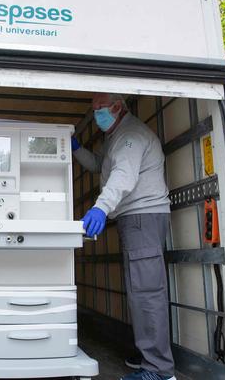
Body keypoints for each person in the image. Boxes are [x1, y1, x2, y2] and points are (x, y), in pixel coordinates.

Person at [72, 93, 175, 380]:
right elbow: (99, 166)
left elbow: (123, 176)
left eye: (100, 109)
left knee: (147, 293)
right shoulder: (115, 137)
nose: (96, 115)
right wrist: (77, 148)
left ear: (118, 107)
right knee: (141, 290)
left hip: (143, 217)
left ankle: (159, 371)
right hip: (136, 218)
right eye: (93, 110)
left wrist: (100, 208)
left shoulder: (130, 135)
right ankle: (150, 357)